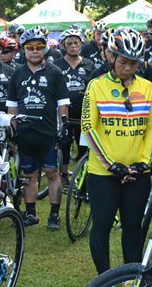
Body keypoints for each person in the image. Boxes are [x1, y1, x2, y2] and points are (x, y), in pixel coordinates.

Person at [82, 27, 152, 275]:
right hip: (103, 172)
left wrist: (144, 162)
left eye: (134, 63)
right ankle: (105, 278)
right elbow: (88, 128)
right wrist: (111, 165)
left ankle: (131, 279)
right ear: (111, 57)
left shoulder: (146, 88)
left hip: (137, 171)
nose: (128, 68)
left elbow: (150, 128)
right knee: (102, 225)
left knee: (133, 227)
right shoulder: (95, 86)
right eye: (123, 62)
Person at [7, 28, 70, 230]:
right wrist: (12, 131)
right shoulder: (17, 73)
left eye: (39, 47)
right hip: (25, 134)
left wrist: (64, 128)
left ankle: (54, 215)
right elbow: (12, 106)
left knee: (52, 173)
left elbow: (62, 104)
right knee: (29, 175)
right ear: (24, 50)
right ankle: (31, 213)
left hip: (48, 132)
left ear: (45, 49)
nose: (35, 51)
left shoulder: (55, 72)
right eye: (30, 48)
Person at [53, 28, 94, 185]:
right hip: (64, 111)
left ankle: (82, 174)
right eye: (69, 43)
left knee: (83, 144)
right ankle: (63, 175)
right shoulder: (57, 65)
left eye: (76, 43)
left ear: (81, 44)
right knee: (64, 143)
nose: (73, 46)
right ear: (63, 45)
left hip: (83, 112)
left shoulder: (89, 64)